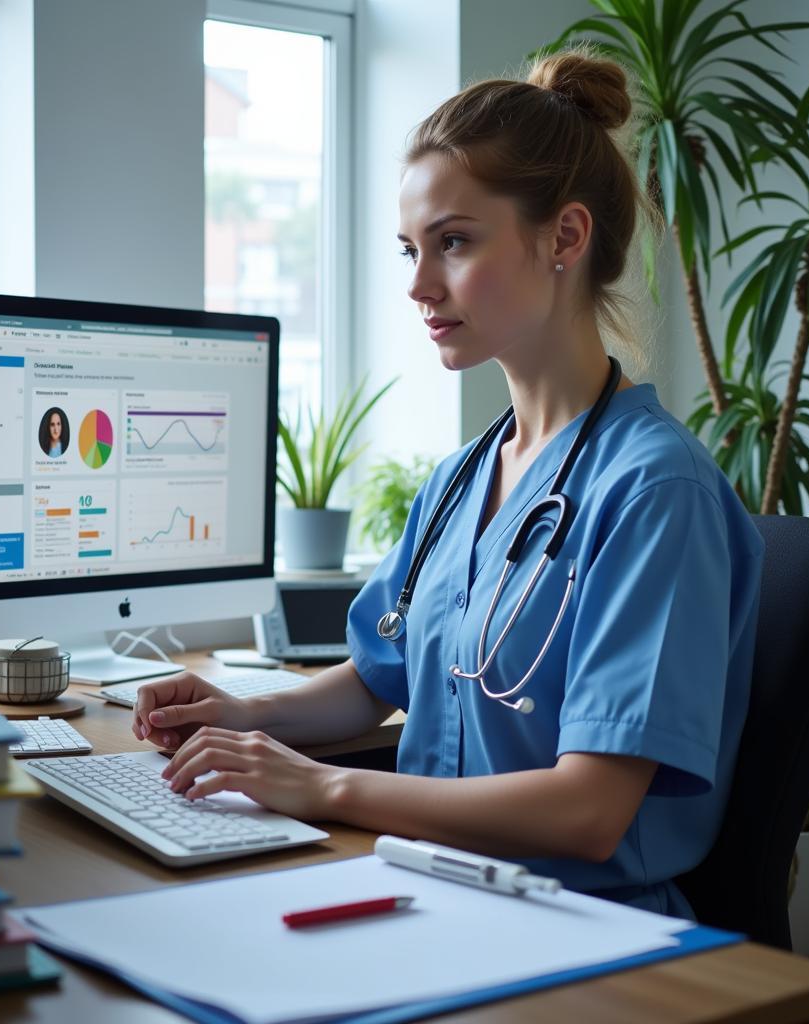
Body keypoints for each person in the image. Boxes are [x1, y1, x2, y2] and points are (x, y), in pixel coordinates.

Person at [132, 51, 764, 917]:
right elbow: (374, 679)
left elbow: (588, 810)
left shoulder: (655, 492)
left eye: (454, 242)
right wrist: (244, 716)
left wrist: (326, 791)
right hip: (435, 892)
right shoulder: (466, 477)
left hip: (584, 929)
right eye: (410, 249)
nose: (419, 286)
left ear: (565, 239)